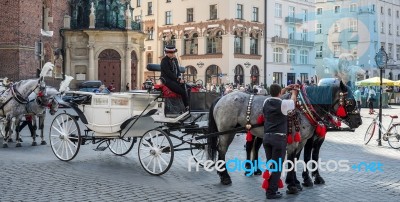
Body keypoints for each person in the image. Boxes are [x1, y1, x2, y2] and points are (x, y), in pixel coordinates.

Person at [262, 83, 298, 199]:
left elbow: (276, 95)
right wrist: (294, 92)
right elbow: (293, 101)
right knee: (277, 166)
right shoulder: (283, 104)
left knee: (271, 164)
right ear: (279, 93)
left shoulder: (266, 102)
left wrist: (285, 89)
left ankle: (271, 188)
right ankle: (271, 192)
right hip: (278, 139)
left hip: (267, 137)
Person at [160, 45, 189, 110]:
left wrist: (179, 78)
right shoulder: (164, 61)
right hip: (167, 80)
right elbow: (168, 73)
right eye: (170, 53)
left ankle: (189, 105)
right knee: (182, 91)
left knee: (188, 88)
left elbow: (178, 70)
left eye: (173, 53)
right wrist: (178, 80)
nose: (172, 54)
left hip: (175, 80)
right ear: (166, 53)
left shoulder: (175, 60)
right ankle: (186, 107)